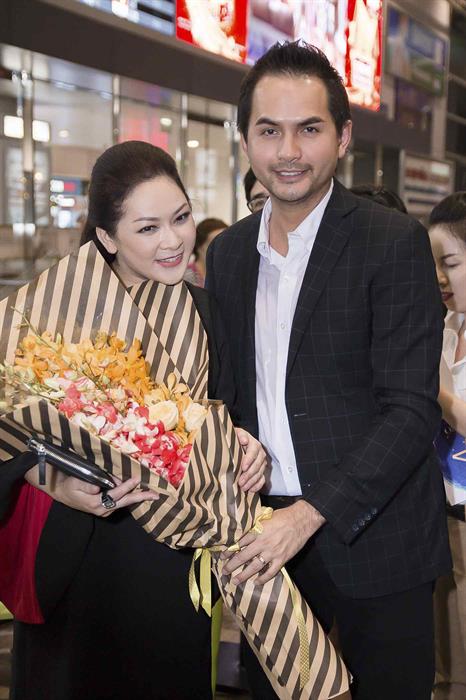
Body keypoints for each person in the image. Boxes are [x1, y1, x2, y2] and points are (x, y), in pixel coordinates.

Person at [206, 41, 451, 700]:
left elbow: (411, 411)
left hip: (381, 538)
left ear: (342, 137)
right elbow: (225, 391)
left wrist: (308, 514)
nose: (288, 151)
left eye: (308, 129)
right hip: (265, 538)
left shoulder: (391, 243)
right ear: (245, 139)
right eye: (269, 131)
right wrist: (230, 438)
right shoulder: (228, 254)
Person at [0, 141, 267, 700]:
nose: (173, 241)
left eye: (181, 218)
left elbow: (228, 411)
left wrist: (245, 446)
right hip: (77, 558)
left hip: (170, 557)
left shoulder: (206, 310)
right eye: (148, 228)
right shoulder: (54, 312)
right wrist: (51, 481)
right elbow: (11, 432)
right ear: (105, 237)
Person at [428, 192, 466, 700]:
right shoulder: (446, 326)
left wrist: (430, 391)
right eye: (433, 263)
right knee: (442, 663)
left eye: (450, 263)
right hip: (440, 514)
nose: (439, 277)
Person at [184, 217, 227, 286]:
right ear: (199, 247)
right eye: (216, 244)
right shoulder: (185, 278)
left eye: (226, 244)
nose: (223, 250)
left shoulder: (229, 274)